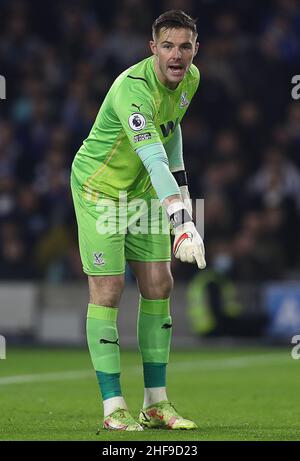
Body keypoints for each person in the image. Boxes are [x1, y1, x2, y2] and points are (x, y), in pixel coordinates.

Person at [70, 10, 206, 432]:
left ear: (195, 49)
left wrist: (182, 193)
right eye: (168, 46)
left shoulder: (192, 80)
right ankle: (113, 409)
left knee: (159, 284)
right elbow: (151, 154)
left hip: (144, 191)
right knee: (109, 289)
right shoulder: (132, 90)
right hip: (101, 190)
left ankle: (155, 405)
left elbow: (172, 132)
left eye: (185, 46)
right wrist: (183, 221)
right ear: (153, 49)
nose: (177, 55)